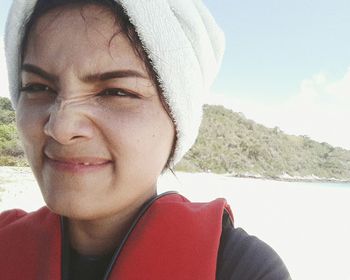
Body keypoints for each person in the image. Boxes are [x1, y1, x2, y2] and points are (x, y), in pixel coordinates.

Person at [0, 0, 291, 279]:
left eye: (116, 92)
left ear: (178, 121)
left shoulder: (242, 269)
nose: (61, 127)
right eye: (37, 87)